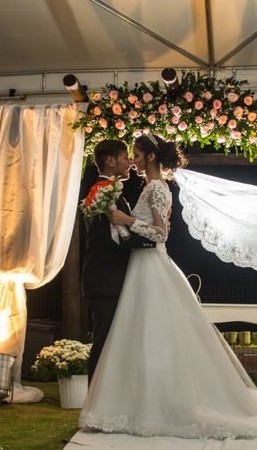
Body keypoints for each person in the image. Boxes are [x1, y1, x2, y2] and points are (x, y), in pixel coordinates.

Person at [78, 133, 257, 441]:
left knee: (154, 337)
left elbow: (161, 234)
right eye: (132, 156)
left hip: (150, 268)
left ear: (151, 157)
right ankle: (138, 401)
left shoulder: (157, 188)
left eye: (138, 155)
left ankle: (153, 403)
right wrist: (124, 225)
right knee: (143, 339)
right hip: (140, 270)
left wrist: (126, 220)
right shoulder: (146, 187)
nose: (134, 161)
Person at [81, 140, 156, 384]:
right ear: (111, 161)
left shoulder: (109, 190)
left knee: (113, 344)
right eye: (126, 157)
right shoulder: (102, 192)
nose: (131, 162)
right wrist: (152, 242)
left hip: (112, 281)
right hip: (106, 283)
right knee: (103, 344)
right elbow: (115, 239)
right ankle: (93, 403)